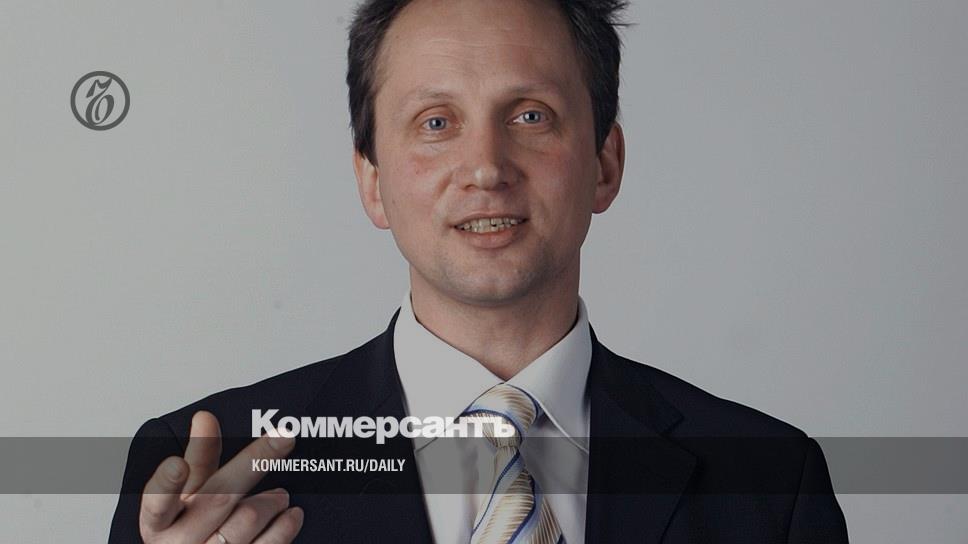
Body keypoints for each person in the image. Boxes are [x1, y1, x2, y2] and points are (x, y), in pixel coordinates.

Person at [109, 0, 849, 542]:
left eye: (530, 116)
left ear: (605, 163)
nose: (487, 167)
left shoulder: (769, 482)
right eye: (436, 122)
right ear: (372, 181)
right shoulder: (210, 474)